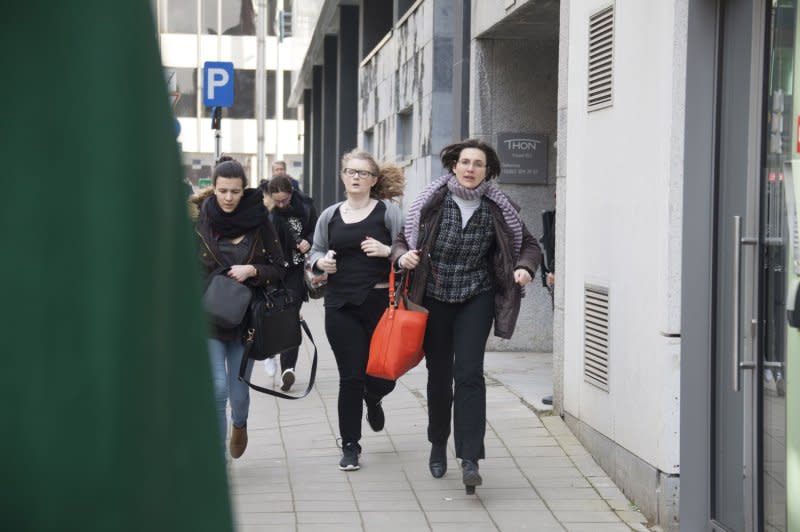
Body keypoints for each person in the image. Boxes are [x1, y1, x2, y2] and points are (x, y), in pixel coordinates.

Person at [391, 138, 541, 493]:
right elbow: (401, 239)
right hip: (434, 297)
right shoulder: (431, 202)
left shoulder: (499, 208)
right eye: (465, 162)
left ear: (488, 171)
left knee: (470, 373)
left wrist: (524, 268)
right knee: (440, 375)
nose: (470, 169)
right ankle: (438, 441)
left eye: (478, 164)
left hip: (477, 295)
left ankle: (470, 457)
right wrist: (402, 257)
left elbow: (530, 245)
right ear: (453, 165)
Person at [308, 149, 405, 471]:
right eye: (350, 171)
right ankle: (351, 445)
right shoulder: (330, 214)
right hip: (340, 306)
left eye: (363, 173)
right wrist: (320, 263)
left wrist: (386, 250)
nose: (356, 177)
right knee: (350, 377)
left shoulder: (388, 212)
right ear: (343, 175)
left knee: (383, 374)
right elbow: (316, 251)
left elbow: (408, 251)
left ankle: (374, 396)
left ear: (374, 180)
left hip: (380, 306)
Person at [193, 157, 285, 459]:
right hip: (209, 318)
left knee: (239, 392)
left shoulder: (260, 221)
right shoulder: (200, 221)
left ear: (244, 190)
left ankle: (240, 423)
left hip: (246, 321)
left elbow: (278, 268)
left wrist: (252, 271)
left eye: (235, 191)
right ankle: (216, 458)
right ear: (214, 190)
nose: (229, 198)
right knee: (217, 389)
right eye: (223, 191)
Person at [265, 175, 319, 391]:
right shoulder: (266, 214)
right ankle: (269, 353)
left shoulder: (305, 205)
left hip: (295, 271)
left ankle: (289, 368)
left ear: (291, 194)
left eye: (284, 200)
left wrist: (309, 240)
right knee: (272, 315)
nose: (281, 204)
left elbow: (317, 229)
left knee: (291, 315)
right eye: (277, 201)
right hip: (273, 271)